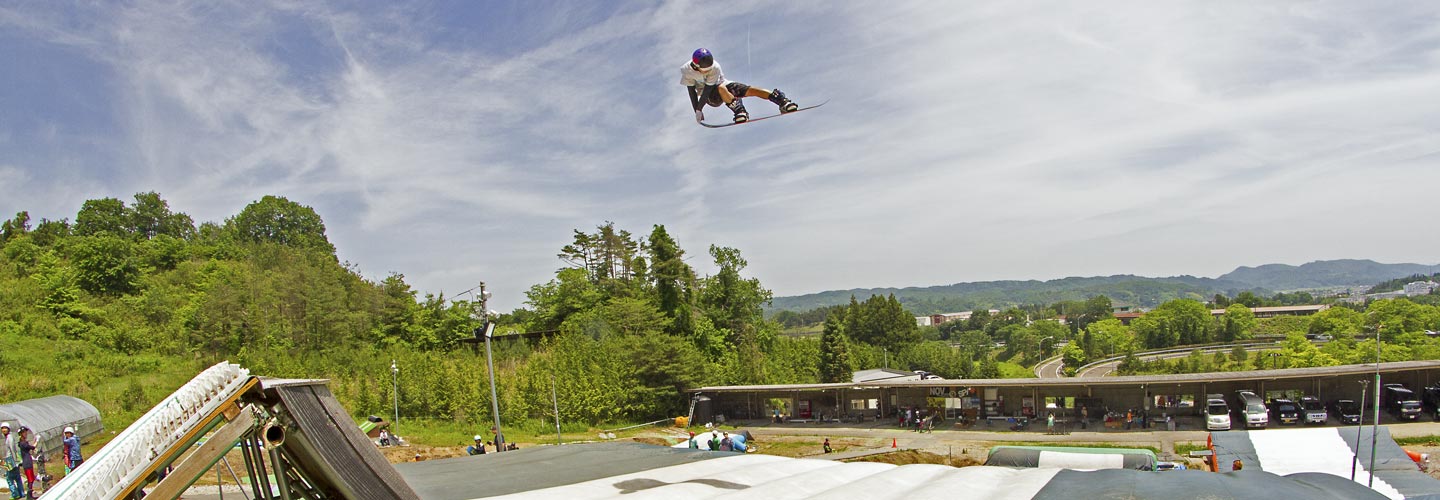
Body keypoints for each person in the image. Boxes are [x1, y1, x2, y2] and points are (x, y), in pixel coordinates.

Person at [681, 48, 797, 124]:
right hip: (711, 97)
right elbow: (693, 91)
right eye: (705, 71)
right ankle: (739, 111)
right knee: (721, 88)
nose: (708, 72)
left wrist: (698, 109)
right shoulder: (687, 71)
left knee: (749, 90)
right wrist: (698, 109)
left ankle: (781, 101)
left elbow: (712, 85)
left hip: (723, 85)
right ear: (696, 67)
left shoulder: (715, 67)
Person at [2, 422, 20, 500]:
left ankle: (15, 494)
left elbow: (13, 450)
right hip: (10, 459)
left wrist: (15, 460)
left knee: (9, 478)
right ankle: (20, 493)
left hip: (10, 460)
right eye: (2, 428)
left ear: (8, 429)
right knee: (16, 476)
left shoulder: (9, 437)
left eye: (5, 428)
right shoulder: (8, 437)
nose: (3, 430)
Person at [17, 427, 35, 500]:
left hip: (28, 462)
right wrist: (35, 443)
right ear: (21, 434)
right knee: (30, 479)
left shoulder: (24, 442)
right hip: (26, 463)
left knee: (32, 478)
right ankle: (29, 496)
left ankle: (30, 495)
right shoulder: (22, 443)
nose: (26, 434)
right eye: (24, 432)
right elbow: (31, 447)